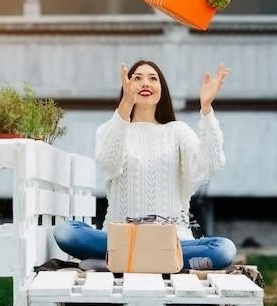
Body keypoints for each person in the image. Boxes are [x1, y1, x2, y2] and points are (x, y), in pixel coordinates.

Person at [54, 60, 236, 270]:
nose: (145, 83)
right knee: (66, 232)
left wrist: (206, 109)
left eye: (152, 78)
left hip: (171, 241)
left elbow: (211, 164)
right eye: (137, 78)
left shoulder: (177, 131)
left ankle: (117, 260)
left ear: (161, 89)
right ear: (127, 88)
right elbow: (109, 164)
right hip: (120, 238)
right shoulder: (110, 129)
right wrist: (125, 108)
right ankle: (156, 261)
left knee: (224, 249)